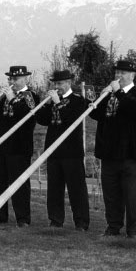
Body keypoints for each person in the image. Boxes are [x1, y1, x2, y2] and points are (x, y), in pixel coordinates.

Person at [89, 60, 136, 239]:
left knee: (133, 195)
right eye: (117, 73)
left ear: (132, 76)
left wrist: (118, 92)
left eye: (123, 73)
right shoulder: (111, 95)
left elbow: (134, 111)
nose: (118, 76)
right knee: (111, 194)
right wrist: (99, 98)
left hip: (132, 154)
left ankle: (135, 230)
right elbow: (97, 114)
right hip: (109, 153)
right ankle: (113, 226)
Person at [0, 66, 40, 227]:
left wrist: (12, 99)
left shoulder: (31, 95)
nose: (12, 82)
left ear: (25, 79)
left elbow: (27, 115)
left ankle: (22, 218)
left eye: (15, 79)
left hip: (19, 147)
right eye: (10, 79)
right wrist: (0, 98)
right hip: (1, 145)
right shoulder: (5, 95)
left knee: (19, 185)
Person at [35, 70, 90, 231]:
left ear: (69, 83)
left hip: (72, 151)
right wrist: (45, 105)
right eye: (55, 84)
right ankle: (55, 219)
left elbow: (69, 119)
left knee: (76, 189)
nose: (57, 86)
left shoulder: (78, 100)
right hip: (53, 150)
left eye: (59, 84)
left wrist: (58, 102)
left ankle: (81, 222)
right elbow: (43, 120)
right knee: (54, 189)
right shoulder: (52, 101)